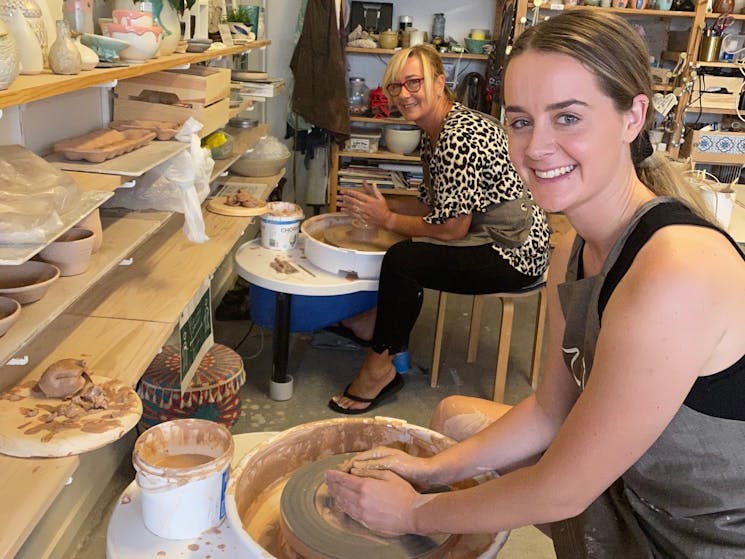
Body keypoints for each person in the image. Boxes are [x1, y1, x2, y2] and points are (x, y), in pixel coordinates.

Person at [325, 10, 745, 557]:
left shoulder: (676, 272)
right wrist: (428, 471)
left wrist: (415, 509)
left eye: (567, 118)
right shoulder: (570, 249)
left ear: (632, 117)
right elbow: (550, 410)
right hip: (632, 489)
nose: (537, 147)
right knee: (453, 424)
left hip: (696, 537)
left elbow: (564, 490)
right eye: (521, 121)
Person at [328, 44, 552, 414]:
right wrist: (382, 206)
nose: (403, 94)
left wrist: (386, 219)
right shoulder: (436, 131)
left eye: (413, 82)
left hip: (514, 251)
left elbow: (451, 229)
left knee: (404, 259)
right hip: (495, 237)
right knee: (403, 242)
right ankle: (377, 325)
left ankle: (379, 366)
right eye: (396, 87)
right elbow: (435, 206)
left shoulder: (457, 136)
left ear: (438, 83)